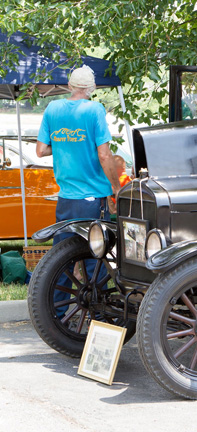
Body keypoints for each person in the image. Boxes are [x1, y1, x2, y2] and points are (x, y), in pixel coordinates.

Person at [36, 65, 120, 319]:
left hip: (66, 199)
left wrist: (64, 147)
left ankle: (57, 316)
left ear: (70, 86)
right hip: (93, 197)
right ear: (91, 89)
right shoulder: (94, 109)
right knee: (96, 259)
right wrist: (116, 189)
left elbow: (41, 150)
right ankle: (100, 318)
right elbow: (104, 155)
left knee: (62, 259)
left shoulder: (53, 109)